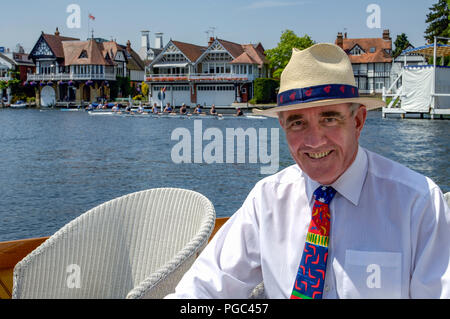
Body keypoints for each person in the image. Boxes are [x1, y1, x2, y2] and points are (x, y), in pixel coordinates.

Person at [166, 43, 450, 299]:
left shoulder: (419, 204)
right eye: (297, 123)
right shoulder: (267, 200)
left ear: (358, 121)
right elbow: (204, 287)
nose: (314, 142)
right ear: (283, 127)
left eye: (329, 119)